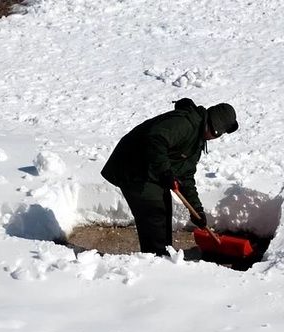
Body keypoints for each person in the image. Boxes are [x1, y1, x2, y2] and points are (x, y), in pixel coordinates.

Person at [101, 98, 238, 255]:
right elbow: (155, 139)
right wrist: (165, 171)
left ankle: (164, 255)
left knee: (164, 210)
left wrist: (197, 210)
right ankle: (155, 258)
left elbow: (186, 175)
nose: (211, 136)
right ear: (210, 122)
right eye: (213, 132)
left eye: (216, 134)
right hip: (133, 168)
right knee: (154, 213)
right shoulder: (186, 123)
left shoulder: (197, 138)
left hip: (152, 170)